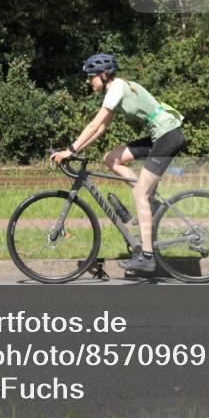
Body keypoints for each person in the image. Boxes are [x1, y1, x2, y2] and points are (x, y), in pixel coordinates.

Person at [50, 53, 185, 272]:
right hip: (159, 135)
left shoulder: (116, 88)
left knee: (139, 194)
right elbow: (101, 128)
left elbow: (94, 126)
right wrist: (76, 150)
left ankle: (148, 256)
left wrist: (70, 150)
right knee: (111, 159)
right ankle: (150, 201)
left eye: (91, 76)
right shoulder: (116, 89)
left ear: (104, 75)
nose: (88, 81)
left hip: (167, 136)